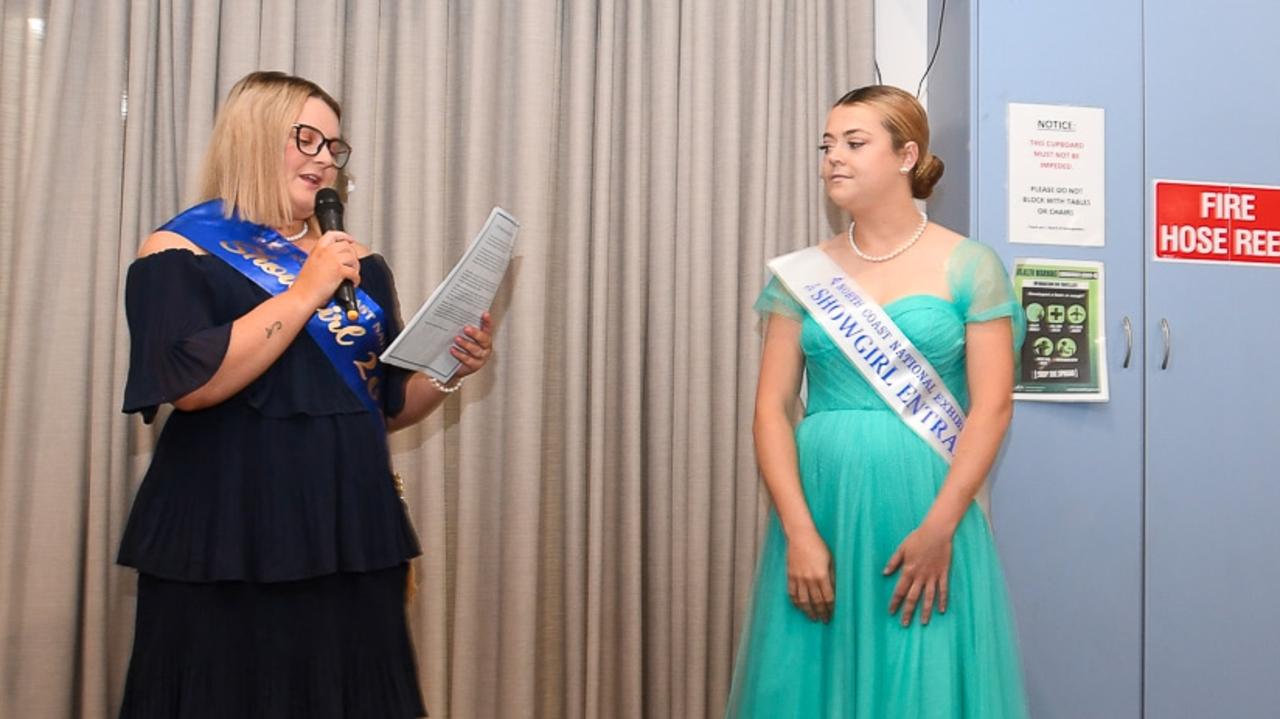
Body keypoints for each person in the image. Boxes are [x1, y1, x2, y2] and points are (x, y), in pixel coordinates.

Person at [117, 71, 492, 718]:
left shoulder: (357, 263)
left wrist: (447, 370)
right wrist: (303, 293)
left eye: (334, 146)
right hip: (229, 531)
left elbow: (386, 403)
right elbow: (194, 386)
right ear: (254, 137)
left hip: (348, 525)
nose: (325, 160)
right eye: (307, 139)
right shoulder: (180, 250)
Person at [726, 85, 1029, 718]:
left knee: (919, 683)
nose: (832, 157)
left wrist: (940, 527)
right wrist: (799, 532)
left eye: (854, 143)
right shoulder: (803, 274)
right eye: (827, 145)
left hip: (926, 514)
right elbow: (771, 409)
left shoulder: (970, 265)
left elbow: (993, 407)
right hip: (820, 509)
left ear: (905, 155)